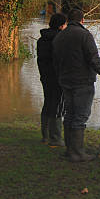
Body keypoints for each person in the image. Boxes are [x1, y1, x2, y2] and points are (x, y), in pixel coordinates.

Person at [52, 8, 100, 162]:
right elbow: (94, 59)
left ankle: (69, 150)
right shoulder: (84, 35)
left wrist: (60, 78)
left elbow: (56, 62)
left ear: (68, 20)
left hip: (65, 81)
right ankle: (77, 153)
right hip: (82, 82)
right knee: (80, 116)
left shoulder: (60, 36)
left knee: (70, 114)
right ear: (82, 20)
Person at [37, 13, 67, 146]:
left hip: (45, 77)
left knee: (48, 103)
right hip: (58, 78)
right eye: (65, 24)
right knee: (58, 106)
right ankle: (55, 138)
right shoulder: (60, 40)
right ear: (61, 26)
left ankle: (45, 136)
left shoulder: (41, 39)